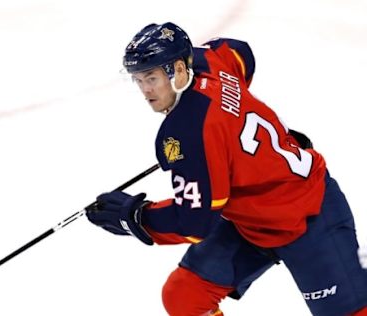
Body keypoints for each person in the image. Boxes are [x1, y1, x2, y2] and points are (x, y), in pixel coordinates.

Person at [86, 22, 367, 316]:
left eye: (152, 78)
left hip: (307, 213)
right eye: (138, 79)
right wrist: (235, 125)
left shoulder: (186, 133)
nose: (145, 90)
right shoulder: (208, 61)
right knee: (185, 297)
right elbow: (241, 52)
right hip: (249, 222)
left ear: (179, 70)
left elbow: (193, 223)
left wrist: (135, 216)